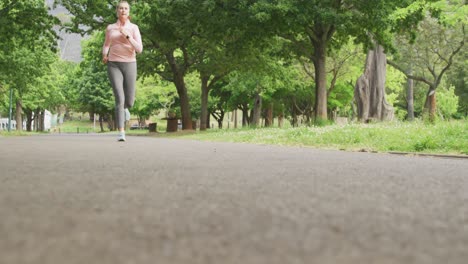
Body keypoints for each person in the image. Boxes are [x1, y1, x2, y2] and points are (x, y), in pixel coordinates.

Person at [102, 0, 142, 142]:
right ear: (117, 11)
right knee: (120, 98)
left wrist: (128, 36)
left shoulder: (134, 28)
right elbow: (107, 44)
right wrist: (105, 55)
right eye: (120, 8)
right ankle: (121, 133)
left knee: (129, 101)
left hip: (130, 64)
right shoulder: (110, 28)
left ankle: (125, 109)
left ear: (128, 12)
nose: (123, 10)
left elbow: (139, 49)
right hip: (114, 65)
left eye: (126, 8)